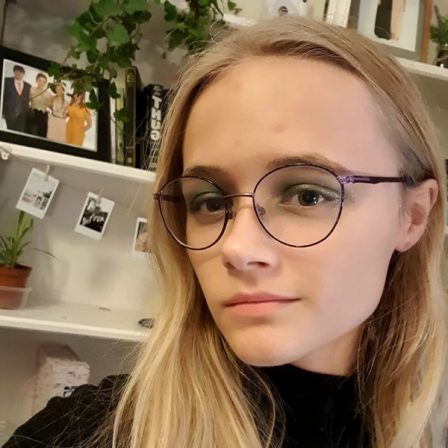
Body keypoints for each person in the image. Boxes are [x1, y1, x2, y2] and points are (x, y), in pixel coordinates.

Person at [4, 15, 448, 448]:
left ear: (412, 215)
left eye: (308, 195)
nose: (236, 247)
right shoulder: (84, 433)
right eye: (210, 203)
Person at [2, 64, 31, 133]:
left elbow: (29, 100)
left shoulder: (28, 86)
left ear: (23, 74)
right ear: (14, 72)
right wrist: (2, 112)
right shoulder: (6, 81)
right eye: (16, 72)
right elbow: (3, 96)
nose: (18, 74)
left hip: (22, 115)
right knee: (9, 132)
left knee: (20, 133)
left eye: (20, 72)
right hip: (9, 113)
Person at [28, 73, 53, 138]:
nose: (42, 83)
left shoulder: (49, 93)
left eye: (44, 82)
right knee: (32, 135)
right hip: (33, 114)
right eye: (40, 80)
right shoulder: (31, 89)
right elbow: (27, 100)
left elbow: (51, 106)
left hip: (43, 116)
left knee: (42, 136)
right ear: (36, 80)